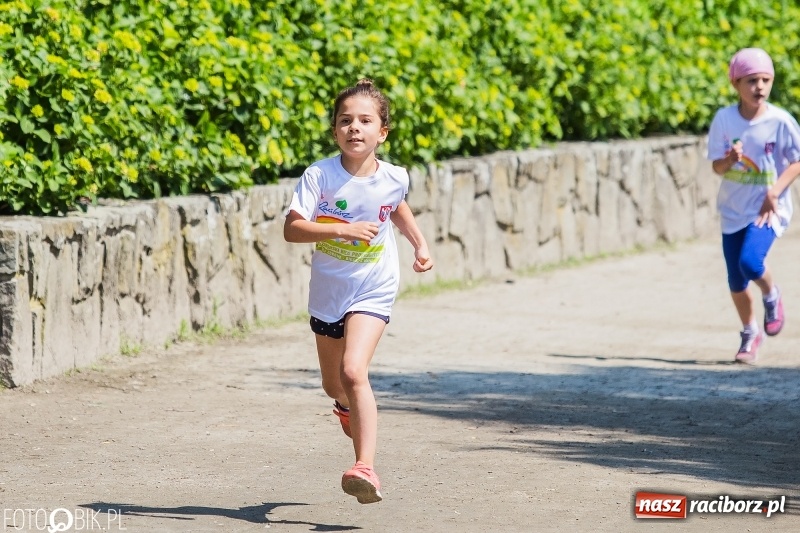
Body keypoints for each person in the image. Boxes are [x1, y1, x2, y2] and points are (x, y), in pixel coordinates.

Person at [283, 79, 434, 503]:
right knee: (335, 386)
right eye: (345, 120)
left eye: (365, 121)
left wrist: (419, 243)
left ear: (382, 132)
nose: (355, 128)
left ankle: (364, 467)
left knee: (354, 372)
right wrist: (343, 228)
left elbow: (395, 206)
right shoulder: (320, 175)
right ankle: (346, 409)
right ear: (335, 131)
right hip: (329, 291)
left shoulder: (394, 177)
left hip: (374, 285)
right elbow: (291, 228)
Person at [707, 47, 800, 364]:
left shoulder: (780, 121)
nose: (759, 87)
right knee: (736, 280)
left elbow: (797, 161)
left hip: (768, 209)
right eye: (751, 80)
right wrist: (728, 160)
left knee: (750, 262)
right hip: (733, 210)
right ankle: (750, 333)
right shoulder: (724, 119)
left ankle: (771, 294)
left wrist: (775, 192)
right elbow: (716, 168)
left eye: (765, 79)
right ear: (736, 84)